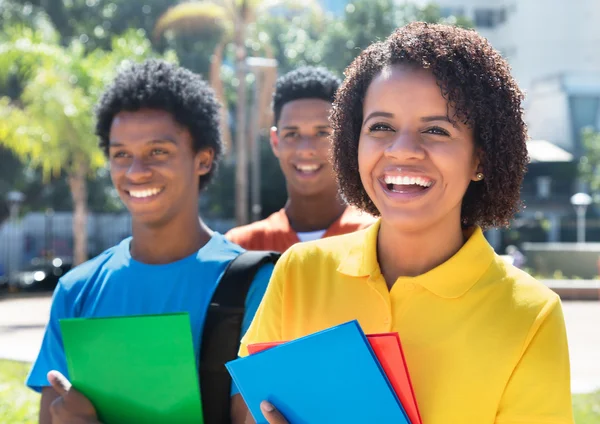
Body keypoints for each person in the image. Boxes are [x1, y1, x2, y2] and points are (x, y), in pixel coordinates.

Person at [232, 23, 574, 424]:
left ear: (480, 158)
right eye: (381, 127)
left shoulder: (530, 316)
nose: (403, 150)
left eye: (436, 129)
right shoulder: (298, 273)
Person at [26, 59, 274, 424]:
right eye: (120, 154)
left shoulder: (254, 284)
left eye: (158, 152)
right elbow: (50, 414)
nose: (136, 171)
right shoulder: (77, 290)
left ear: (203, 159)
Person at [226, 66, 375, 252]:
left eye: (322, 133)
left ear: (343, 140)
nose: (306, 150)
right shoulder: (242, 246)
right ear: (275, 141)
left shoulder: (376, 238)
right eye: (292, 134)